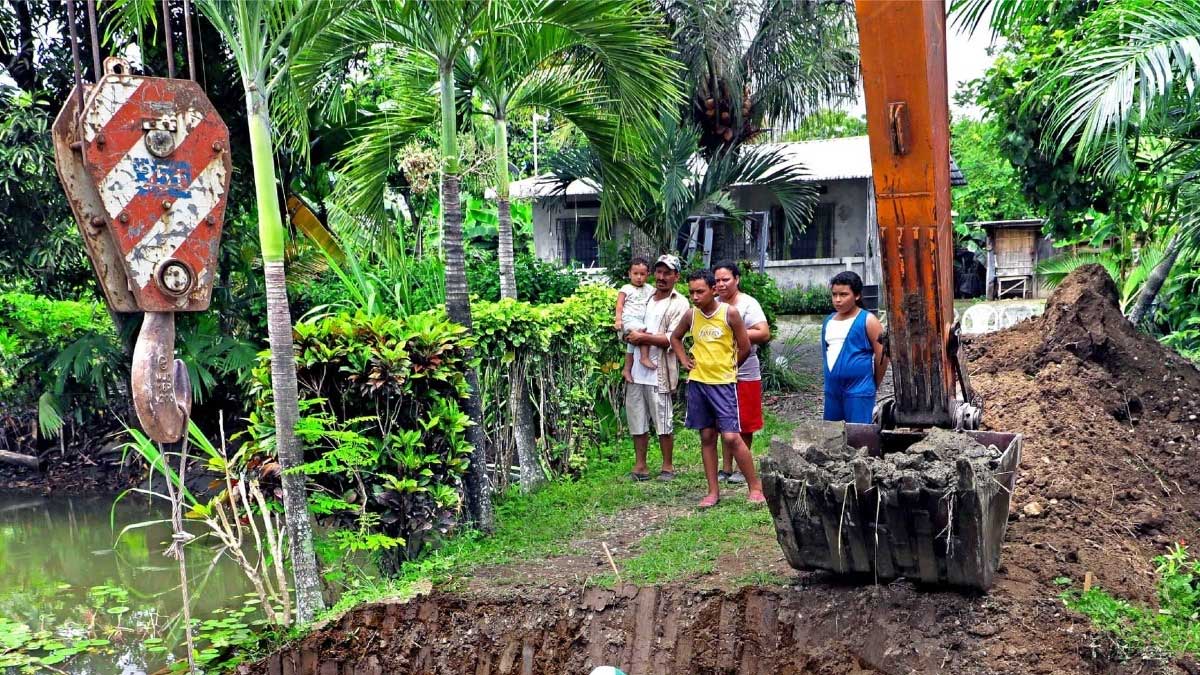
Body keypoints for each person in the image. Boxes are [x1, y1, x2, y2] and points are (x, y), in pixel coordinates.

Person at [670, 269, 766, 507]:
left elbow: (745, 346)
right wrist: (684, 360)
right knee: (707, 435)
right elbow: (675, 338)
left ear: (713, 290)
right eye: (691, 292)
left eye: (700, 291)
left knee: (732, 436)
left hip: (723, 384)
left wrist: (731, 367)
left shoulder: (729, 313)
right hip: (699, 383)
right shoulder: (691, 315)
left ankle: (755, 487)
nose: (695, 297)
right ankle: (713, 491)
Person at [624, 255, 689, 482]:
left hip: (660, 372)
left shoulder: (680, 303)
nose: (661, 277)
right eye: (659, 272)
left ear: (676, 276)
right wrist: (629, 334)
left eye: (667, 273)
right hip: (635, 372)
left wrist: (642, 337)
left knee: (663, 421)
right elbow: (627, 321)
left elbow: (674, 338)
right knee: (636, 419)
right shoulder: (646, 295)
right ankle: (640, 466)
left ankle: (667, 466)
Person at [712, 261, 770, 485]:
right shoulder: (714, 303)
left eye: (726, 279)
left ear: (737, 279)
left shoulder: (748, 303)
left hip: (745, 370)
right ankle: (726, 467)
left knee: (744, 421)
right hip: (718, 370)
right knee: (723, 420)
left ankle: (740, 468)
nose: (721, 284)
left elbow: (763, 333)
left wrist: (735, 331)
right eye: (717, 280)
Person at [822, 270, 888, 424]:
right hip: (832, 391)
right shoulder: (828, 321)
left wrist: (873, 384)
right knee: (831, 433)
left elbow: (882, 356)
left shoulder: (868, 320)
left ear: (857, 295)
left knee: (858, 433)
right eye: (834, 294)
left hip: (859, 389)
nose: (838, 300)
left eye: (843, 295)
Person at [615, 257, 657, 382]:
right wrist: (618, 320)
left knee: (631, 347)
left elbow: (658, 294)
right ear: (629, 274)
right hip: (628, 319)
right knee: (643, 332)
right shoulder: (626, 288)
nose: (639, 277)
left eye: (642, 274)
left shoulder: (649, 288)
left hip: (640, 320)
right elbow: (619, 305)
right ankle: (644, 357)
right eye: (635, 273)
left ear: (648, 274)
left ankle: (626, 370)